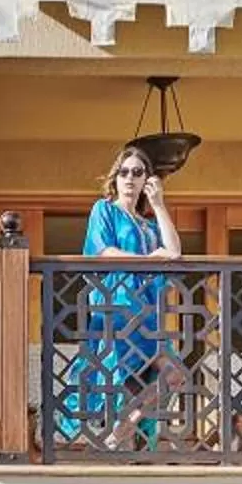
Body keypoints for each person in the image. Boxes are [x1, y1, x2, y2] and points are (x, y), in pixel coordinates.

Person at [65, 146, 183, 442]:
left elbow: (175, 252)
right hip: (116, 312)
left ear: (146, 180)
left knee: (174, 374)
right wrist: (148, 261)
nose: (130, 178)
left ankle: (128, 425)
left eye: (138, 172)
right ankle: (120, 446)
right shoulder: (104, 210)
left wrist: (158, 204)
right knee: (120, 385)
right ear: (115, 178)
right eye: (124, 172)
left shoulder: (149, 224)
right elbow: (103, 251)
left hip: (147, 317)